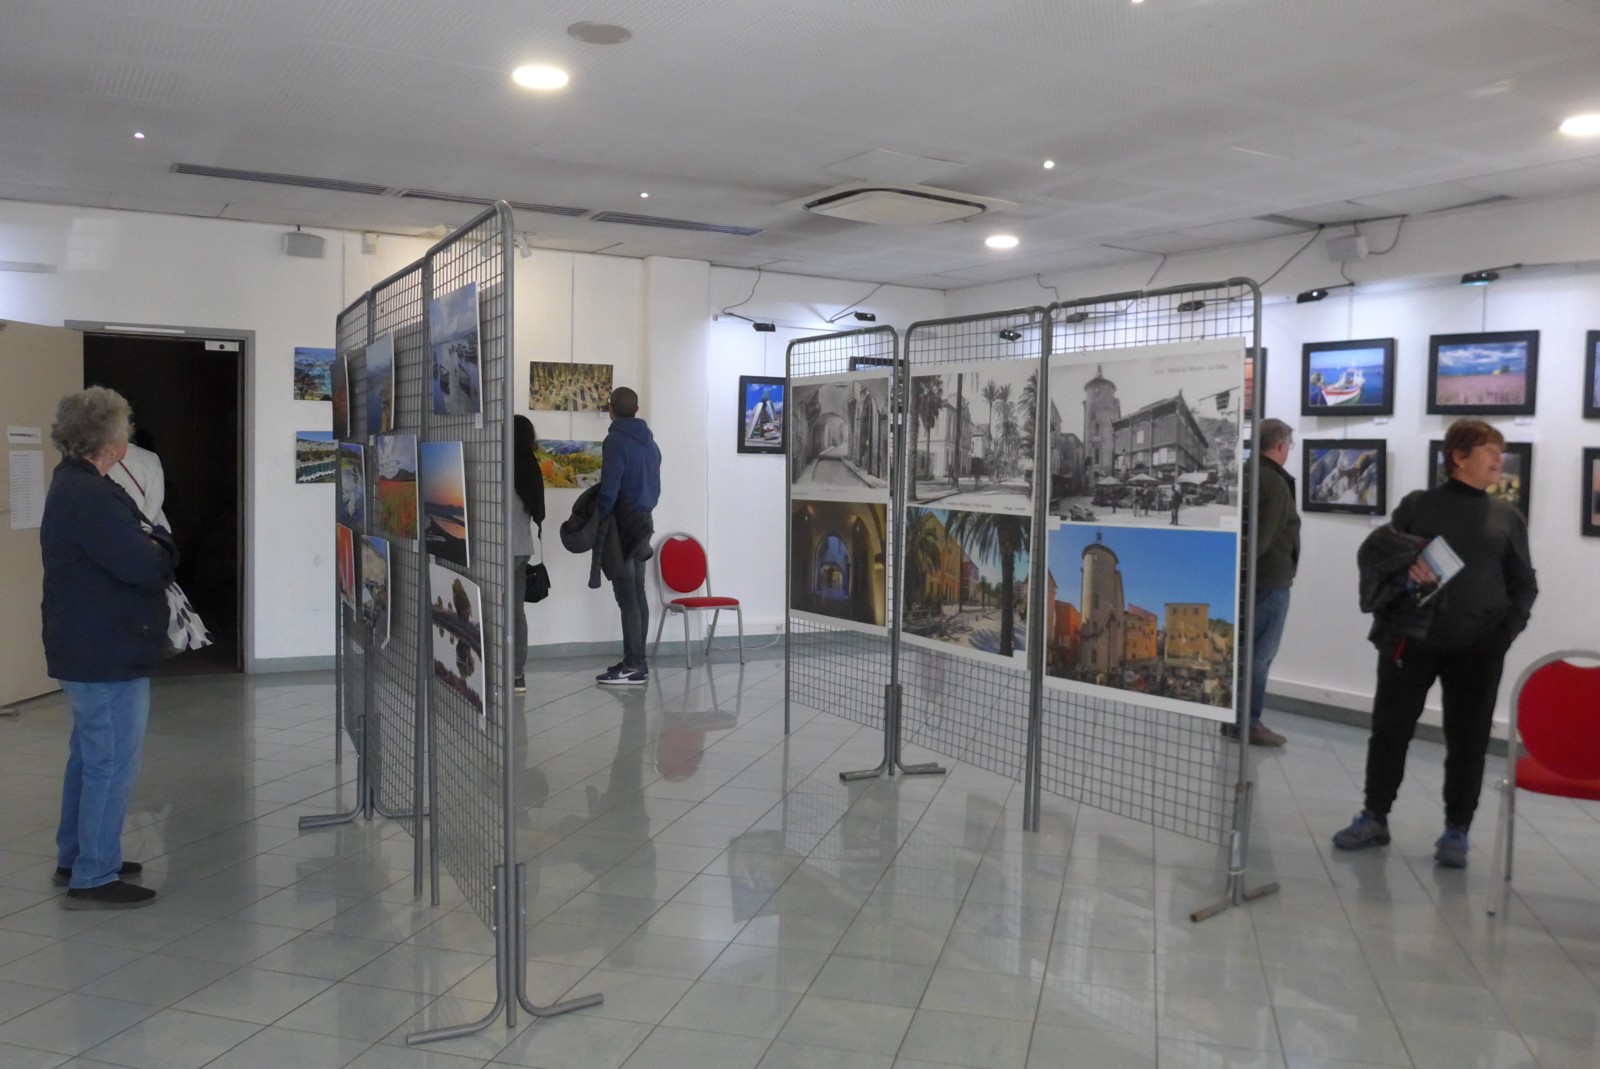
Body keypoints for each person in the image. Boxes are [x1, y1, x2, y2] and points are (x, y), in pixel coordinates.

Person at [1334, 419, 1538, 868]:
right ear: (1459, 457)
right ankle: (1374, 816)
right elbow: (1381, 558)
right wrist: (1405, 571)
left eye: (1500, 452)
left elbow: (1524, 583)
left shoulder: (1506, 517)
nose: (1498, 460)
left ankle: (1456, 830)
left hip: (1478, 650)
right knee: (1390, 732)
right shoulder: (1418, 505)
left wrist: (1504, 634)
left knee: (1469, 741)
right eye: (1489, 451)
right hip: (1411, 641)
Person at [41, 387, 176, 909]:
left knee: (90, 756)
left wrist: (152, 542)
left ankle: (78, 855)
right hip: (104, 650)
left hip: (90, 644)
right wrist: (162, 545)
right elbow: (145, 563)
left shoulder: (76, 483)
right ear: (112, 441)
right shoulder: (90, 495)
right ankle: (94, 873)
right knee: (111, 761)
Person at [1225, 419, 1296, 747]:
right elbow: (1263, 539)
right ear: (1280, 446)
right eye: (1289, 446)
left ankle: (1233, 721)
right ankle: (1248, 724)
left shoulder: (1244, 474)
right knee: (1259, 656)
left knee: (1241, 652)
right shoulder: (1274, 482)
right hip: (1268, 580)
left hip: (1244, 580)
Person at [594, 387, 661, 685]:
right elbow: (656, 486)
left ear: (611, 409)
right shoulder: (651, 443)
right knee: (637, 591)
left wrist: (600, 517)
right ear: (636, 409)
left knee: (626, 595)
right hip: (644, 522)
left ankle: (633, 665)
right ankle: (637, 661)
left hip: (622, 525)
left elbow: (609, 489)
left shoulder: (615, 441)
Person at [512, 415, 546, 694]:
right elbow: (538, 510)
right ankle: (517, 673)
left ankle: (497, 667)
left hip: (499, 549)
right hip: (522, 547)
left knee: (496, 609)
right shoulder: (530, 464)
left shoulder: (504, 464)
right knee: (516, 611)